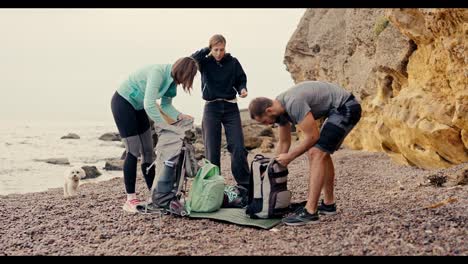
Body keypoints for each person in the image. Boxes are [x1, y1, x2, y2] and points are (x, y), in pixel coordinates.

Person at [248, 80, 362, 225]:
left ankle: (310, 212)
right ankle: (328, 204)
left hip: (346, 107)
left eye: (264, 121)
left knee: (316, 152)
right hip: (335, 110)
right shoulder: (279, 110)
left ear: (269, 111)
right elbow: (284, 142)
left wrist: (290, 157)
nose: (267, 125)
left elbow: (313, 136)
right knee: (321, 153)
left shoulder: (293, 102)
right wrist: (272, 167)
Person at [111, 57, 198, 213]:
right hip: (123, 103)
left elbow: (166, 105)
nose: (181, 83)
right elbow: (149, 104)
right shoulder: (158, 72)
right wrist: (164, 126)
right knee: (133, 150)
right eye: (183, 79)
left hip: (138, 108)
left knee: (148, 152)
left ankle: (154, 195)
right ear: (180, 72)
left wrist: (180, 116)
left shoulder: (173, 82)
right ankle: (130, 199)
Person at [190, 34, 250, 205]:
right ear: (211, 49)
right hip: (211, 107)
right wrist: (207, 50)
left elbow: (241, 79)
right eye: (215, 50)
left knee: (237, 146)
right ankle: (214, 187)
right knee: (212, 149)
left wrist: (243, 89)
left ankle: (244, 187)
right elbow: (192, 59)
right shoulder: (205, 62)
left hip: (231, 108)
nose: (218, 53)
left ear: (226, 47)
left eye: (221, 49)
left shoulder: (233, 62)